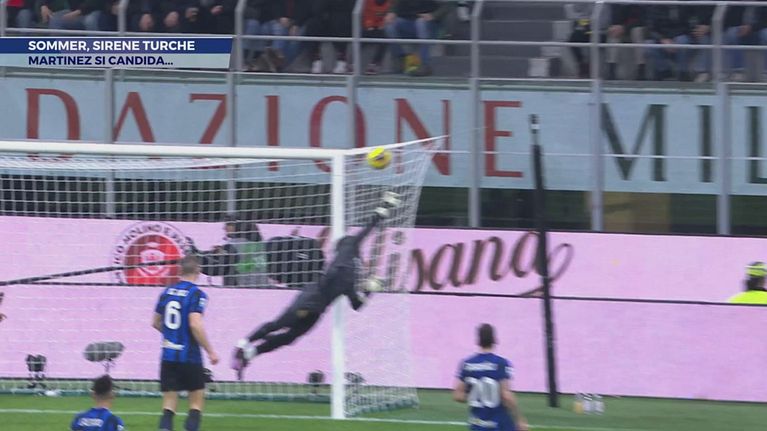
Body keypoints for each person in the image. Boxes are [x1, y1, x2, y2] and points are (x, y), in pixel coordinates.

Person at [230, 192, 401, 378]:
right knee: (280, 324)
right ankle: (242, 344)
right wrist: (382, 208)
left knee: (290, 337)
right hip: (311, 299)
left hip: (317, 310)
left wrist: (369, 289)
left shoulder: (352, 277)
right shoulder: (348, 253)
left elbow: (356, 304)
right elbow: (366, 231)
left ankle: (250, 354)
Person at [153, 255, 219, 431]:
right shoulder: (197, 294)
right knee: (196, 402)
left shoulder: (166, 292)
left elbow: (155, 322)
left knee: (168, 404)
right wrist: (210, 351)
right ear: (198, 270)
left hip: (168, 355)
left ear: (180, 270)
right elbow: (195, 324)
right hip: (189, 356)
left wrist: (172, 335)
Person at [453, 324, 528, 431]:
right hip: (500, 424)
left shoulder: (467, 364)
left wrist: (475, 395)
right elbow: (506, 396)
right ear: (494, 340)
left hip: (477, 424)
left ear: (478, 341)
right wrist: (519, 419)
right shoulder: (501, 363)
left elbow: (457, 395)